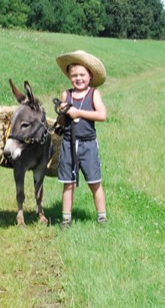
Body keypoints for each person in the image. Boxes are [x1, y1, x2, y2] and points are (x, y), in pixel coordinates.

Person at [55, 50, 108, 228]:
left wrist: (78, 112)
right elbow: (62, 123)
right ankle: (66, 219)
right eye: (74, 75)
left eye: (82, 75)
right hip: (69, 144)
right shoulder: (66, 95)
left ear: (90, 76)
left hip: (88, 144)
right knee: (68, 184)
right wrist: (63, 113)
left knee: (94, 182)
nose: (78, 78)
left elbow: (102, 115)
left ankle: (102, 216)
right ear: (69, 77)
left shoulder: (93, 94)